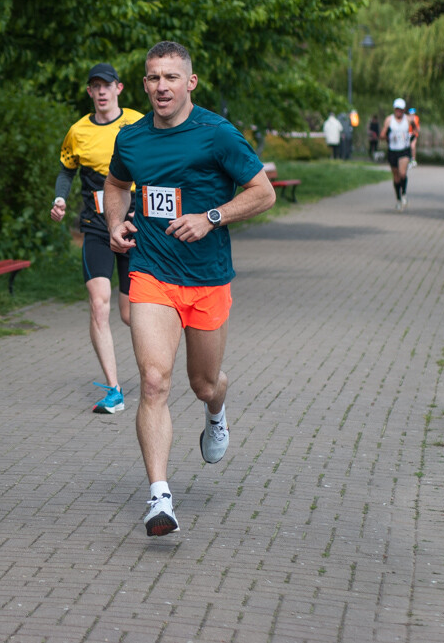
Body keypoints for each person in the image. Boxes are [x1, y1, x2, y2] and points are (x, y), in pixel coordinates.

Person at [103, 41, 275, 537]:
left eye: (171, 78)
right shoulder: (131, 138)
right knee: (154, 381)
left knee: (204, 383)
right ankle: (159, 498)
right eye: (154, 78)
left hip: (206, 279)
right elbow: (117, 184)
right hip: (151, 272)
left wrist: (211, 217)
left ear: (190, 83)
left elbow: (261, 192)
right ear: (144, 84)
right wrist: (116, 224)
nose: (162, 87)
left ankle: (216, 411)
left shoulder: (217, 135)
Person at [50, 63, 145, 414]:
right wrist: (60, 198)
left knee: (129, 313)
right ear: (90, 92)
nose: (102, 91)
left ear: (119, 88)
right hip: (95, 225)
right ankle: (114, 389)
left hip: (135, 226)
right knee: (99, 304)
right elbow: (66, 169)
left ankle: (154, 367)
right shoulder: (78, 131)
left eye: (107, 85)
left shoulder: (137, 123)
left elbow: (156, 165)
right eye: (95, 86)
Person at [380, 98, 414, 211]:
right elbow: (382, 134)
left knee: (402, 173)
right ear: (394, 109)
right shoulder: (389, 120)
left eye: (400, 109)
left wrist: (412, 137)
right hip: (393, 150)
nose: (398, 111)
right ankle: (398, 199)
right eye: (397, 109)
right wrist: (386, 136)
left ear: (403, 110)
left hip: (404, 149)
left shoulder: (408, 120)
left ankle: (404, 194)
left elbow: (415, 129)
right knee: (396, 176)